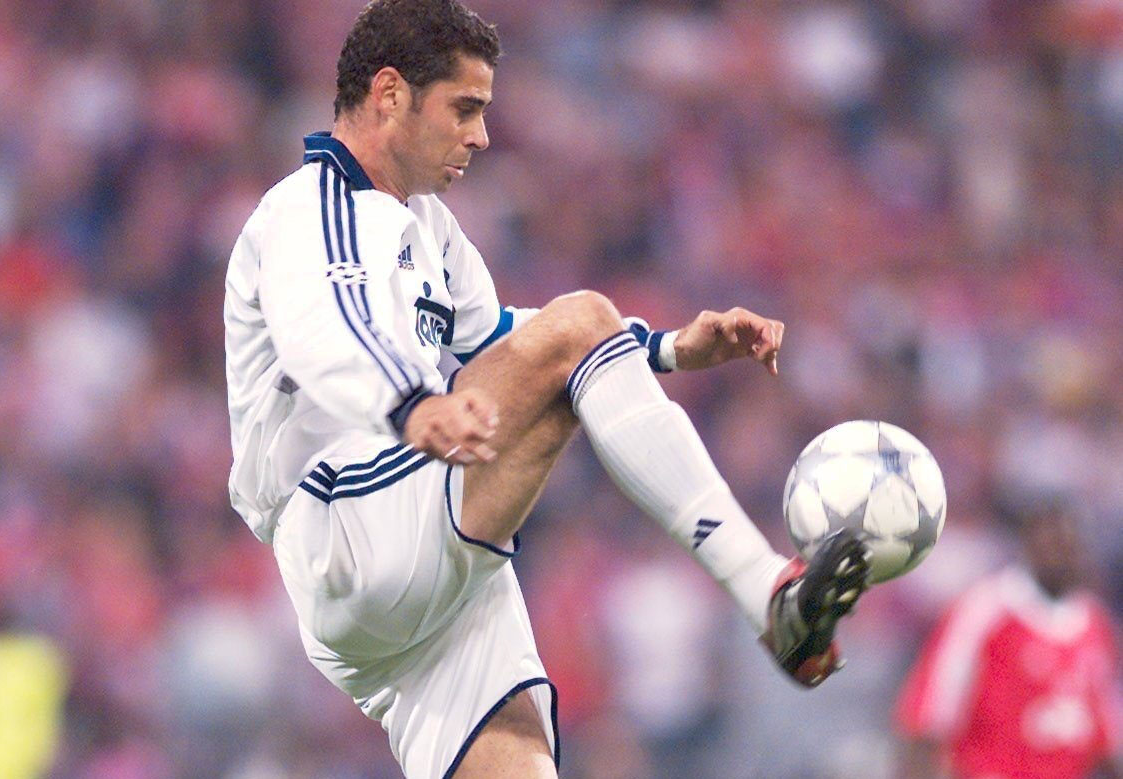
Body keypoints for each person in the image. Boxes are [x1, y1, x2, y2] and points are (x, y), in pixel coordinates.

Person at [223, 1, 869, 776]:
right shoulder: (307, 210)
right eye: (465, 109)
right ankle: (769, 593)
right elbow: (330, 336)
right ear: (390, 93)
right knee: (582, 319)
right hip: (352, 518)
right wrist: (415, 404)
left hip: (420, 582)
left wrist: (668, 348)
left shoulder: (427, 227)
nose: (482, 136)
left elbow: (504, 342)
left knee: (516, 754)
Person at [894, 496, 1122, 779]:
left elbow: (1105, 737)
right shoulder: (984, 610)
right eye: (1053, 542)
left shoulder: (1095, 626)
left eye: (1071, 545)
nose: (1062, 554)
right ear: (1029, 544)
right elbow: (930, 717)